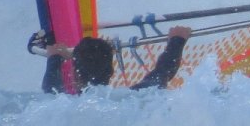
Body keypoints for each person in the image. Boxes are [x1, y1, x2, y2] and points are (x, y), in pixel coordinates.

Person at [40, 26, 192, 93]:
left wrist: (54, 58)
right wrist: (177, 40)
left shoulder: (64, 106)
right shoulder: (128, 99)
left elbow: (50, 87)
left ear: (75, 74)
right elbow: (161, 73)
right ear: (111, 72)